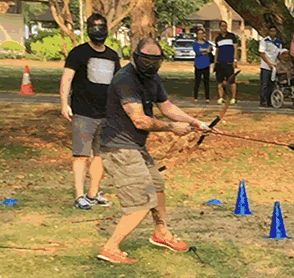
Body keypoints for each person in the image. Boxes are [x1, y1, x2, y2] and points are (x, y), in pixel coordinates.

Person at [96, 38, 215, 264]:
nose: (150, 65)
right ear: (135, 57)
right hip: (118, 147)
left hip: (135, 146)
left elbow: (166, 107)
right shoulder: (125, 80)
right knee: (142, 201)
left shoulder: (152, 79)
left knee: (157, 186)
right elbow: (140, 120)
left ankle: (161, 233)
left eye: (155, 61)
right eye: (146, 60)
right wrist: (172, 128)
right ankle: (110, 247)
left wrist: (196, 123)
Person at [59, 13, 121, 210]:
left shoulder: (112, 55)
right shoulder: (78, 53)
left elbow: (118, 84)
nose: (98, 32)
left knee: (100, 155)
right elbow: (66, 79)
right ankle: (79, 196)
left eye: (101, 27)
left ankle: (93, 194)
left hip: (107, 114)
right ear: (88, 29)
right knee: (81, 155)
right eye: (94, 28)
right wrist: (64, 104)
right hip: (83, 113)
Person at [214, 20, 240, 105]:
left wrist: (235, 60)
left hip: (229, 62)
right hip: (220, 62)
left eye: (225, 26)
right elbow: (217, 51)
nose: (224, 28)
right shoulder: (218, 38)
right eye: (222, 26)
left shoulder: (232, 36)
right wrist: (215, 62)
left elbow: (235, 48)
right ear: (219, 27)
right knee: (220, 81)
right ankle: (221, 97)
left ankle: (233, 98)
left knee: (232, 81)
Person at [258, 25, 282, 107]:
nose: (273, 33)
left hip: (274, 66)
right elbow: (262, 53)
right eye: (271, 31)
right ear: (268, 32)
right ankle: (263, 101)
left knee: (271, 85)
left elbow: (279, 53)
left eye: (274, 31)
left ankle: (270, 101)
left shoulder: (278, 42)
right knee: (264, 84)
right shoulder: (264, 41)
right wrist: (268, 63)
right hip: (265, 66)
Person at [190, 27, 213, 103]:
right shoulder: (195, 43)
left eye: (201, 34)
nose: (200, 35)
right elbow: (198, 52)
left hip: (206, 63)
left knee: (206, 82)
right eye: (199, 34)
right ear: (196, 35)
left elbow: (209, 50)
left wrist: (205, 50)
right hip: (198, 64)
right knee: (197, 81)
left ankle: (207, 98)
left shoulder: (207, 43)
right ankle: (195, 97)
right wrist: (205, 50)